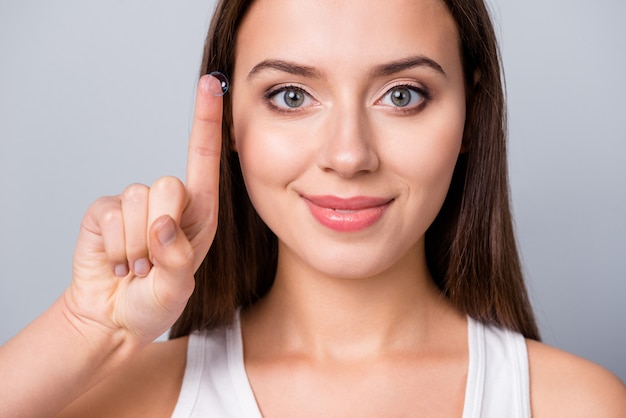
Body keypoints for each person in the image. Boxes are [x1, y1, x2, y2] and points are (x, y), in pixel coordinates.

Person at [1, 0, 625, 416]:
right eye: (292, 95)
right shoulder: (130, 401)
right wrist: (84, 329)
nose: (348, 155)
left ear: (470, 113)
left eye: (402, 94)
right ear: (232, 125)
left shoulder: (575, 405)